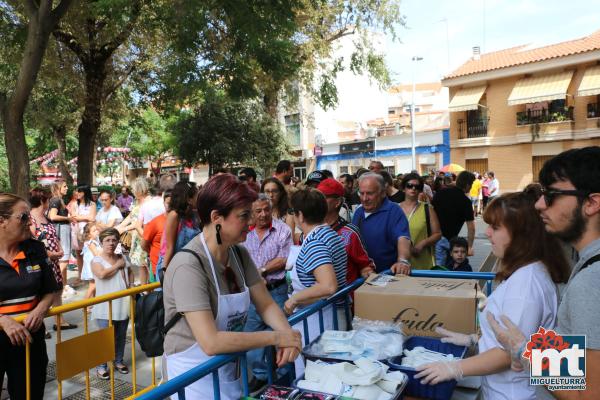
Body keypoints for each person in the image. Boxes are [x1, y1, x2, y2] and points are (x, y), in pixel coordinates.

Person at [415, 186, 570, 400]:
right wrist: (474, 340)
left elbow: (508, 354)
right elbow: (516, 339)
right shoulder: (526, 272)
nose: (487, 232)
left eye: (495, 227)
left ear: (520, 235)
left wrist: (454, 367)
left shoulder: (525, 284)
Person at [163, 174, 301, 399]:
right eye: (244, 215)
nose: (252, 223)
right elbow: (211, 341)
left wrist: (287, 333)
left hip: (227, 372)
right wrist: (277, 338)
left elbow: (265, 304)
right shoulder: (188, 266)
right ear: (217, 217)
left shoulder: (238, 253)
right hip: (193, 378)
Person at [486, 147, 600, 399]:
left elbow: (588, 393)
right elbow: (578, 361)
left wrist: (525, 353)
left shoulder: (592, 281)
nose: (539, 204)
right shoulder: (584, 264)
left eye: (552, 195)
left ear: (591, 203)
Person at [0, 193, 61, 399]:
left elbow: (50, 290)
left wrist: (41, 309)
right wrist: (3, 322)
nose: (30, 222)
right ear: (2, 221)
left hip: (29, 342)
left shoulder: (35, 248)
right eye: (24, 217)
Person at [283, 188, 348, 376]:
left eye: (293, 213)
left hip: (319, 323)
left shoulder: (315, 243)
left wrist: (293, 300)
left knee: (316, 378)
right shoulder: (328, 234)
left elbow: (328, 285)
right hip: (329, 318)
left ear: (300, 215)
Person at [242, 194, 293, 389]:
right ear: (252, 213)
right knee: (252, 335)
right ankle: (260, 374)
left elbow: (284, 258)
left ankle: (283, 378)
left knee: (281, 334)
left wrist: (261, 271)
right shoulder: (245, 232)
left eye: (266, 210)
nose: (263, 214)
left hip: (276, 290)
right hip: (253, 293)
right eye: (258, 211)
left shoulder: (282, 230)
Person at [29, 188, 77, 335]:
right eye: (48, 200)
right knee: (40, 292)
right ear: (42, 201)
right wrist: (49, 254)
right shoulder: (30, 220)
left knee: (57, 289)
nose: (49, 202)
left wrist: (60, 250)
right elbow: (33, 242)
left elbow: (54, 237)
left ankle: (59, 320)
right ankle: (38, 325)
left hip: (53, 260)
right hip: (40, 261)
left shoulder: (45, 217)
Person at [91, 228, 134, 380]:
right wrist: (118, 265)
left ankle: (118, 360)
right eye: (107, 240)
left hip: (122, 303)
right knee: (105, 337)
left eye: (114, 240)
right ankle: (101, 366)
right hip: (104, 306)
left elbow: (130, 272)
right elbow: (101, 274)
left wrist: (131, 287)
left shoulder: (122, 257)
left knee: (120, 335)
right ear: (101, 243)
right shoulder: (96, 260)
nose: (111, 243)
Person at [351, 172, 412, 274]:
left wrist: (402, 260)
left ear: (383, 193)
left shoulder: (394, 210)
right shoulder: (359, 212)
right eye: (361, 193)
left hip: (387, 276)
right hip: (362, 276)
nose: (365, 198)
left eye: (370, 193)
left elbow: (403, 238)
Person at [317, 178, 374, 284]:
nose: (318, 200)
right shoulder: (309, 229)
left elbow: (365, 266)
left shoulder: (350, 233)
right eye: (317, 196)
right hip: (316, 298)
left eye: (323, 197)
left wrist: (367, 273)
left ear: (337, 202)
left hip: (343, 297)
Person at [432, 171, 475, 266]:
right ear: (468, 184)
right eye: (471, 184)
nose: (471, 187)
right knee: (447, 268)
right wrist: (469, 247)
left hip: (433, 237)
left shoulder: (440, 193)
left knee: (436, 267)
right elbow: (471, 228)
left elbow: (431, 212)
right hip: (449, 240)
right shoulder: (466, 201)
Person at [399, 173, 442, 270]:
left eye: (417, 187)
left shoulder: (427, 209)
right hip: (398, 262)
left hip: (422, 262)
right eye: (409, 186)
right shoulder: (395, 209)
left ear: (420, 190)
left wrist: (422, 244)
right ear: (403, 188)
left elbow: (438, 234)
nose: (413, 188)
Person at [158, 181, 200, 276]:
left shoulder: (194, 215)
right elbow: (170, 247)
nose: (199, 198)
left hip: (186, 263)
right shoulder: (174, 215)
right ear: (189, 199)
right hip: (170, 263)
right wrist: (165, 271)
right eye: (197, 195)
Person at [117, 177, 151, 284]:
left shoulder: (149, 202)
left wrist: (123, 229)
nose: (132, 191)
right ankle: (144, 290)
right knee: (142, 265)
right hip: (137, 237)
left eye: (133, 189)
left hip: (145, 235)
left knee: (148, 265)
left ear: (140, 189)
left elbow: (138, 223)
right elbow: (131, 216)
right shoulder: (137, 201)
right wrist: (119, 227)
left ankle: (151, 290)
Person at [48, 180, 75, 297]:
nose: (67, 188)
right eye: (64, 186)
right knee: (64, 258)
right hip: (61, 230)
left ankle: (64, 285)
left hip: (62, 229)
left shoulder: (58, 200)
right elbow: (52, 216)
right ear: (58, 188)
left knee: (63, 258)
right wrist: (68, 219)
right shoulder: (56, 200)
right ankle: (56, 286)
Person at [141, 190, 172, 281]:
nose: (171, 206)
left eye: (173, 203)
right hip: (158, 267)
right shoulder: (155, 222)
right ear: (164, 203)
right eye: (168, 203)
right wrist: (154, 253)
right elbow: (144, 244)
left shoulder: (181, 220)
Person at [72, 184, 97, 285]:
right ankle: (80, 275)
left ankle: (91, 275)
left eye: (80, 191)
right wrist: (85, 217)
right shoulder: (74, 204)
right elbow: (74, 217)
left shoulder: (92, 204)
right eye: (77, 191)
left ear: (85, 192)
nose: (77, 194)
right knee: (78, 254)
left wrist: (79, 217)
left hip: (88, 232)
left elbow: (92, 218)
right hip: (76, 232)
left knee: (89, 253)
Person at [81, 222, 101, 304]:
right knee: (93, 285)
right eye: (94, 230)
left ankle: (93, 303)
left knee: (94, 285)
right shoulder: (91, 243)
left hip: (92, 266)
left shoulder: (94, 241)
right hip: (92, 267)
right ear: (89, 235)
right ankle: (84, 304)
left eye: (97, 229)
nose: (97, 231)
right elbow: (96, 254)